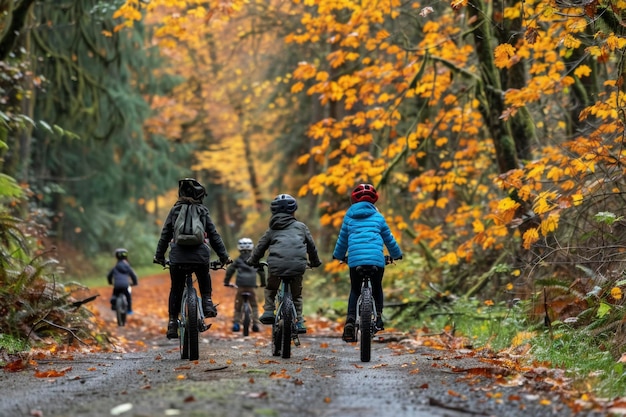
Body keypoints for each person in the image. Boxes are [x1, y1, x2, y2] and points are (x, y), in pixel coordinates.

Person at [153, 178, 232, 339]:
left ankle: (173, 323)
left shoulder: (175, 210)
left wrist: (159, 256)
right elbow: (214, 235)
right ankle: (207, 302)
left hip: (178, 257)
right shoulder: (202, 211)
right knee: (204, 276)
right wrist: (224, 257)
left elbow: (165, 234)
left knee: (176, 288)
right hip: (200, 256)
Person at [332, 183, 402, 342]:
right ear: (373, 201)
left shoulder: (349, 217)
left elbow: (342, 240)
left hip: (355, 261)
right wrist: (396, 254)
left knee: (355, 290)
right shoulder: (378, 217)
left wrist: (339, 255)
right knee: (377, 288)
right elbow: (389, 239)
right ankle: (378, 318)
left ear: (354, 200)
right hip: (376, 261)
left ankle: (350, 320)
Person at [246, 194, 322, 334]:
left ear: (273, 211)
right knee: (296, 295)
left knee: (271, 288)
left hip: (276, 266)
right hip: (297, 266)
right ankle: (299, 321)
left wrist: (252, 261)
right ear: (294, 211)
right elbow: (311, 247)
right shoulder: (301, 227)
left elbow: (260, 248)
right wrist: (315, 262)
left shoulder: (272, 230)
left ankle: (269, 311)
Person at [223, 237, 267, 333]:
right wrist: (263, 283)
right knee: (254, 305)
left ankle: (236, 324)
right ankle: (255, 323)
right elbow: (261, 272)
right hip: (251, 285)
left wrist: (226, 282)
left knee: (238, 306)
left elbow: (230, 271)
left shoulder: (238, 260)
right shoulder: (255, 260)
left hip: (241, 285)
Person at [107, 248, 138, 314]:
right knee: (128, 298)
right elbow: (133, 276)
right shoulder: (128, 267)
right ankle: (129, 310)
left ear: (116, 256)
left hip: (117, 285)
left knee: (114, 295)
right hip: (125, 285)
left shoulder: (115, 267)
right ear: (126, 256)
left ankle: (113, 305)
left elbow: (109, 275)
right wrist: (135, 283)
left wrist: (110, 282)